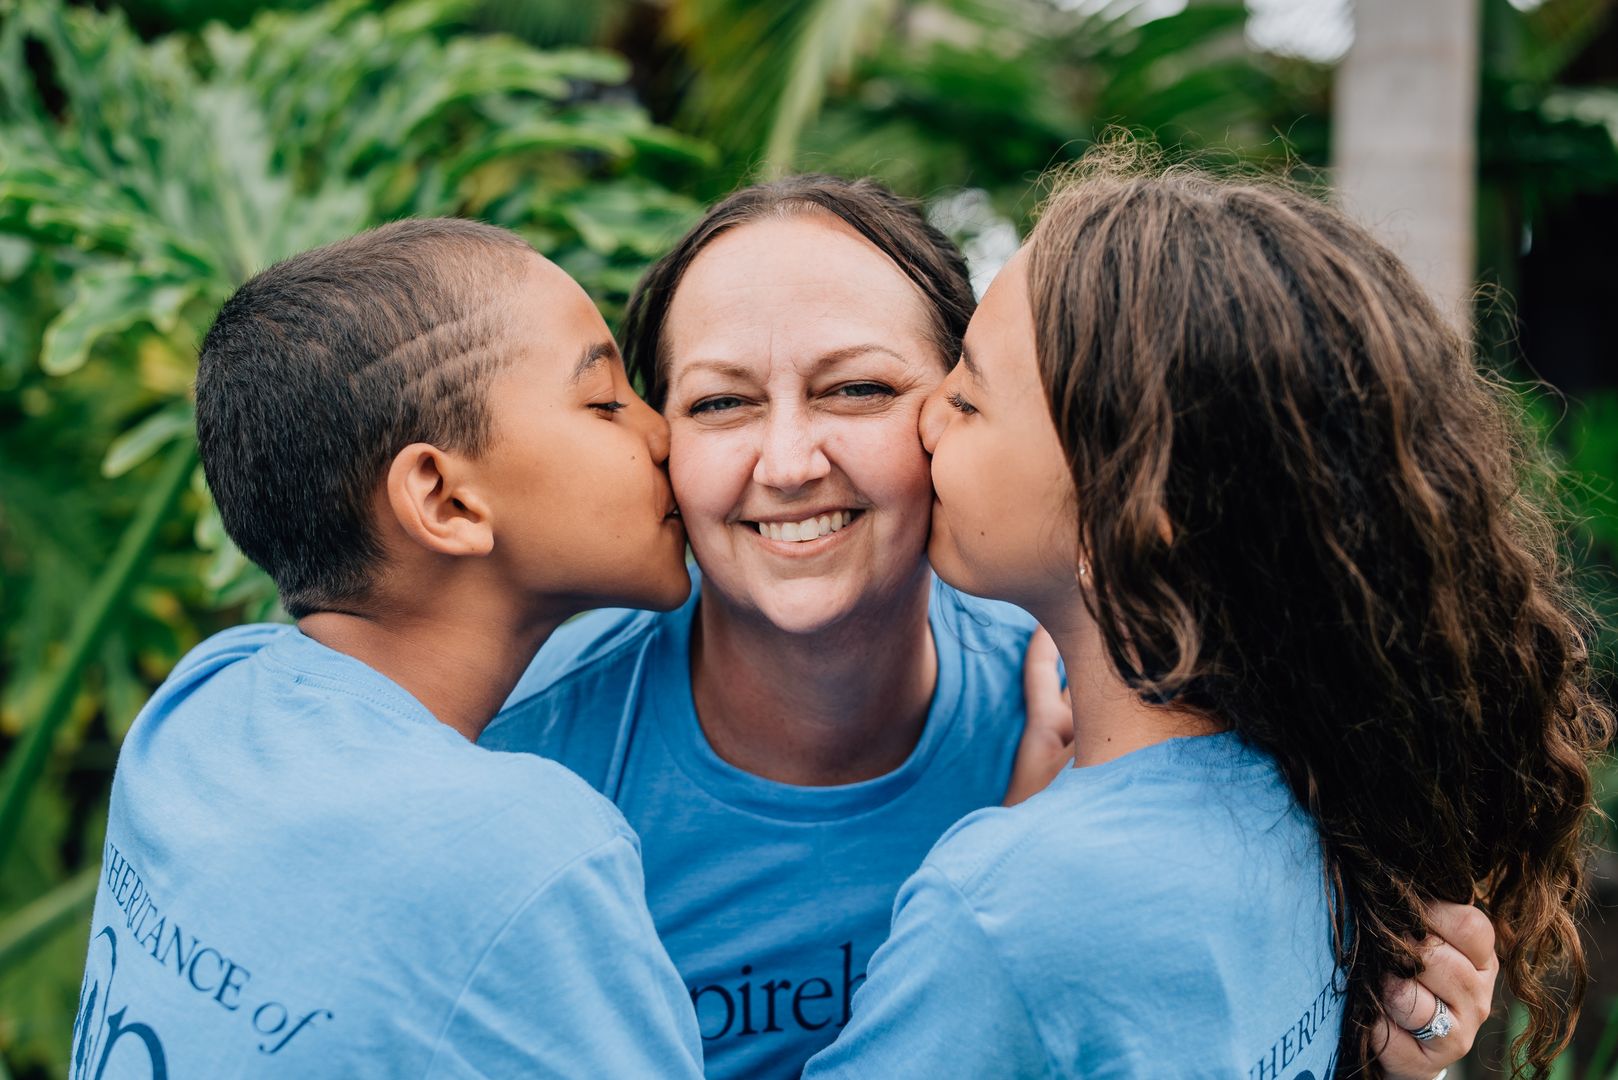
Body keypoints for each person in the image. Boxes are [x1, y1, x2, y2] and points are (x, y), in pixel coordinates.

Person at [483, 176, 1499, 1078]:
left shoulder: (1126, 699)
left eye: (860, 389)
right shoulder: (511, 747)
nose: (788, 461)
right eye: (720, 404)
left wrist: (1397, 1022)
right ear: (660, 440)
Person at [803, 153, 1610, 1077]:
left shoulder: (999, 912)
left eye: (970, 397)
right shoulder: (1322, 797)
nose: (926, 417)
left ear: (1127, 514)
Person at [72, 219, 704, 1078]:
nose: (663, 432)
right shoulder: (528, 848)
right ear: (445, 501)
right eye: (604, 403)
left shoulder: (197, 710)